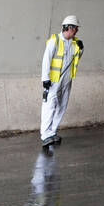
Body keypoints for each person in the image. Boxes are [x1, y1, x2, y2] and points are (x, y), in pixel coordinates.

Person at [40, 14, 83, 148]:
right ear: (69, 28)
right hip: (53, 80)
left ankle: (52, 132)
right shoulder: (55, 41)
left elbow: (76, 58)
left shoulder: (75, 43)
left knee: (62, 105)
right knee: (49, 106)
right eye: (75, 28)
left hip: (66, 79)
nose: (77, 31)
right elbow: (46, 59)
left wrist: (81, 49)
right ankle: (45, 135)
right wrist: (45, 78)